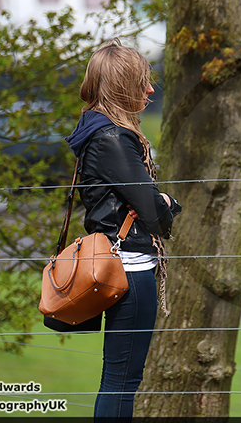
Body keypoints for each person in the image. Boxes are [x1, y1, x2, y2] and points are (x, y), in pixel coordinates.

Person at [65, 38, 182, 421]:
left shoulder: (96, 132)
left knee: (119, 377)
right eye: (142, 82)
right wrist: (164, 204)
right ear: (122, 86)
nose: (150, 90)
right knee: (122, 379)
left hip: (118, 262)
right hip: (129, 267)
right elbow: (153, 213)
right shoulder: (114, 138)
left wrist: (157, 201)